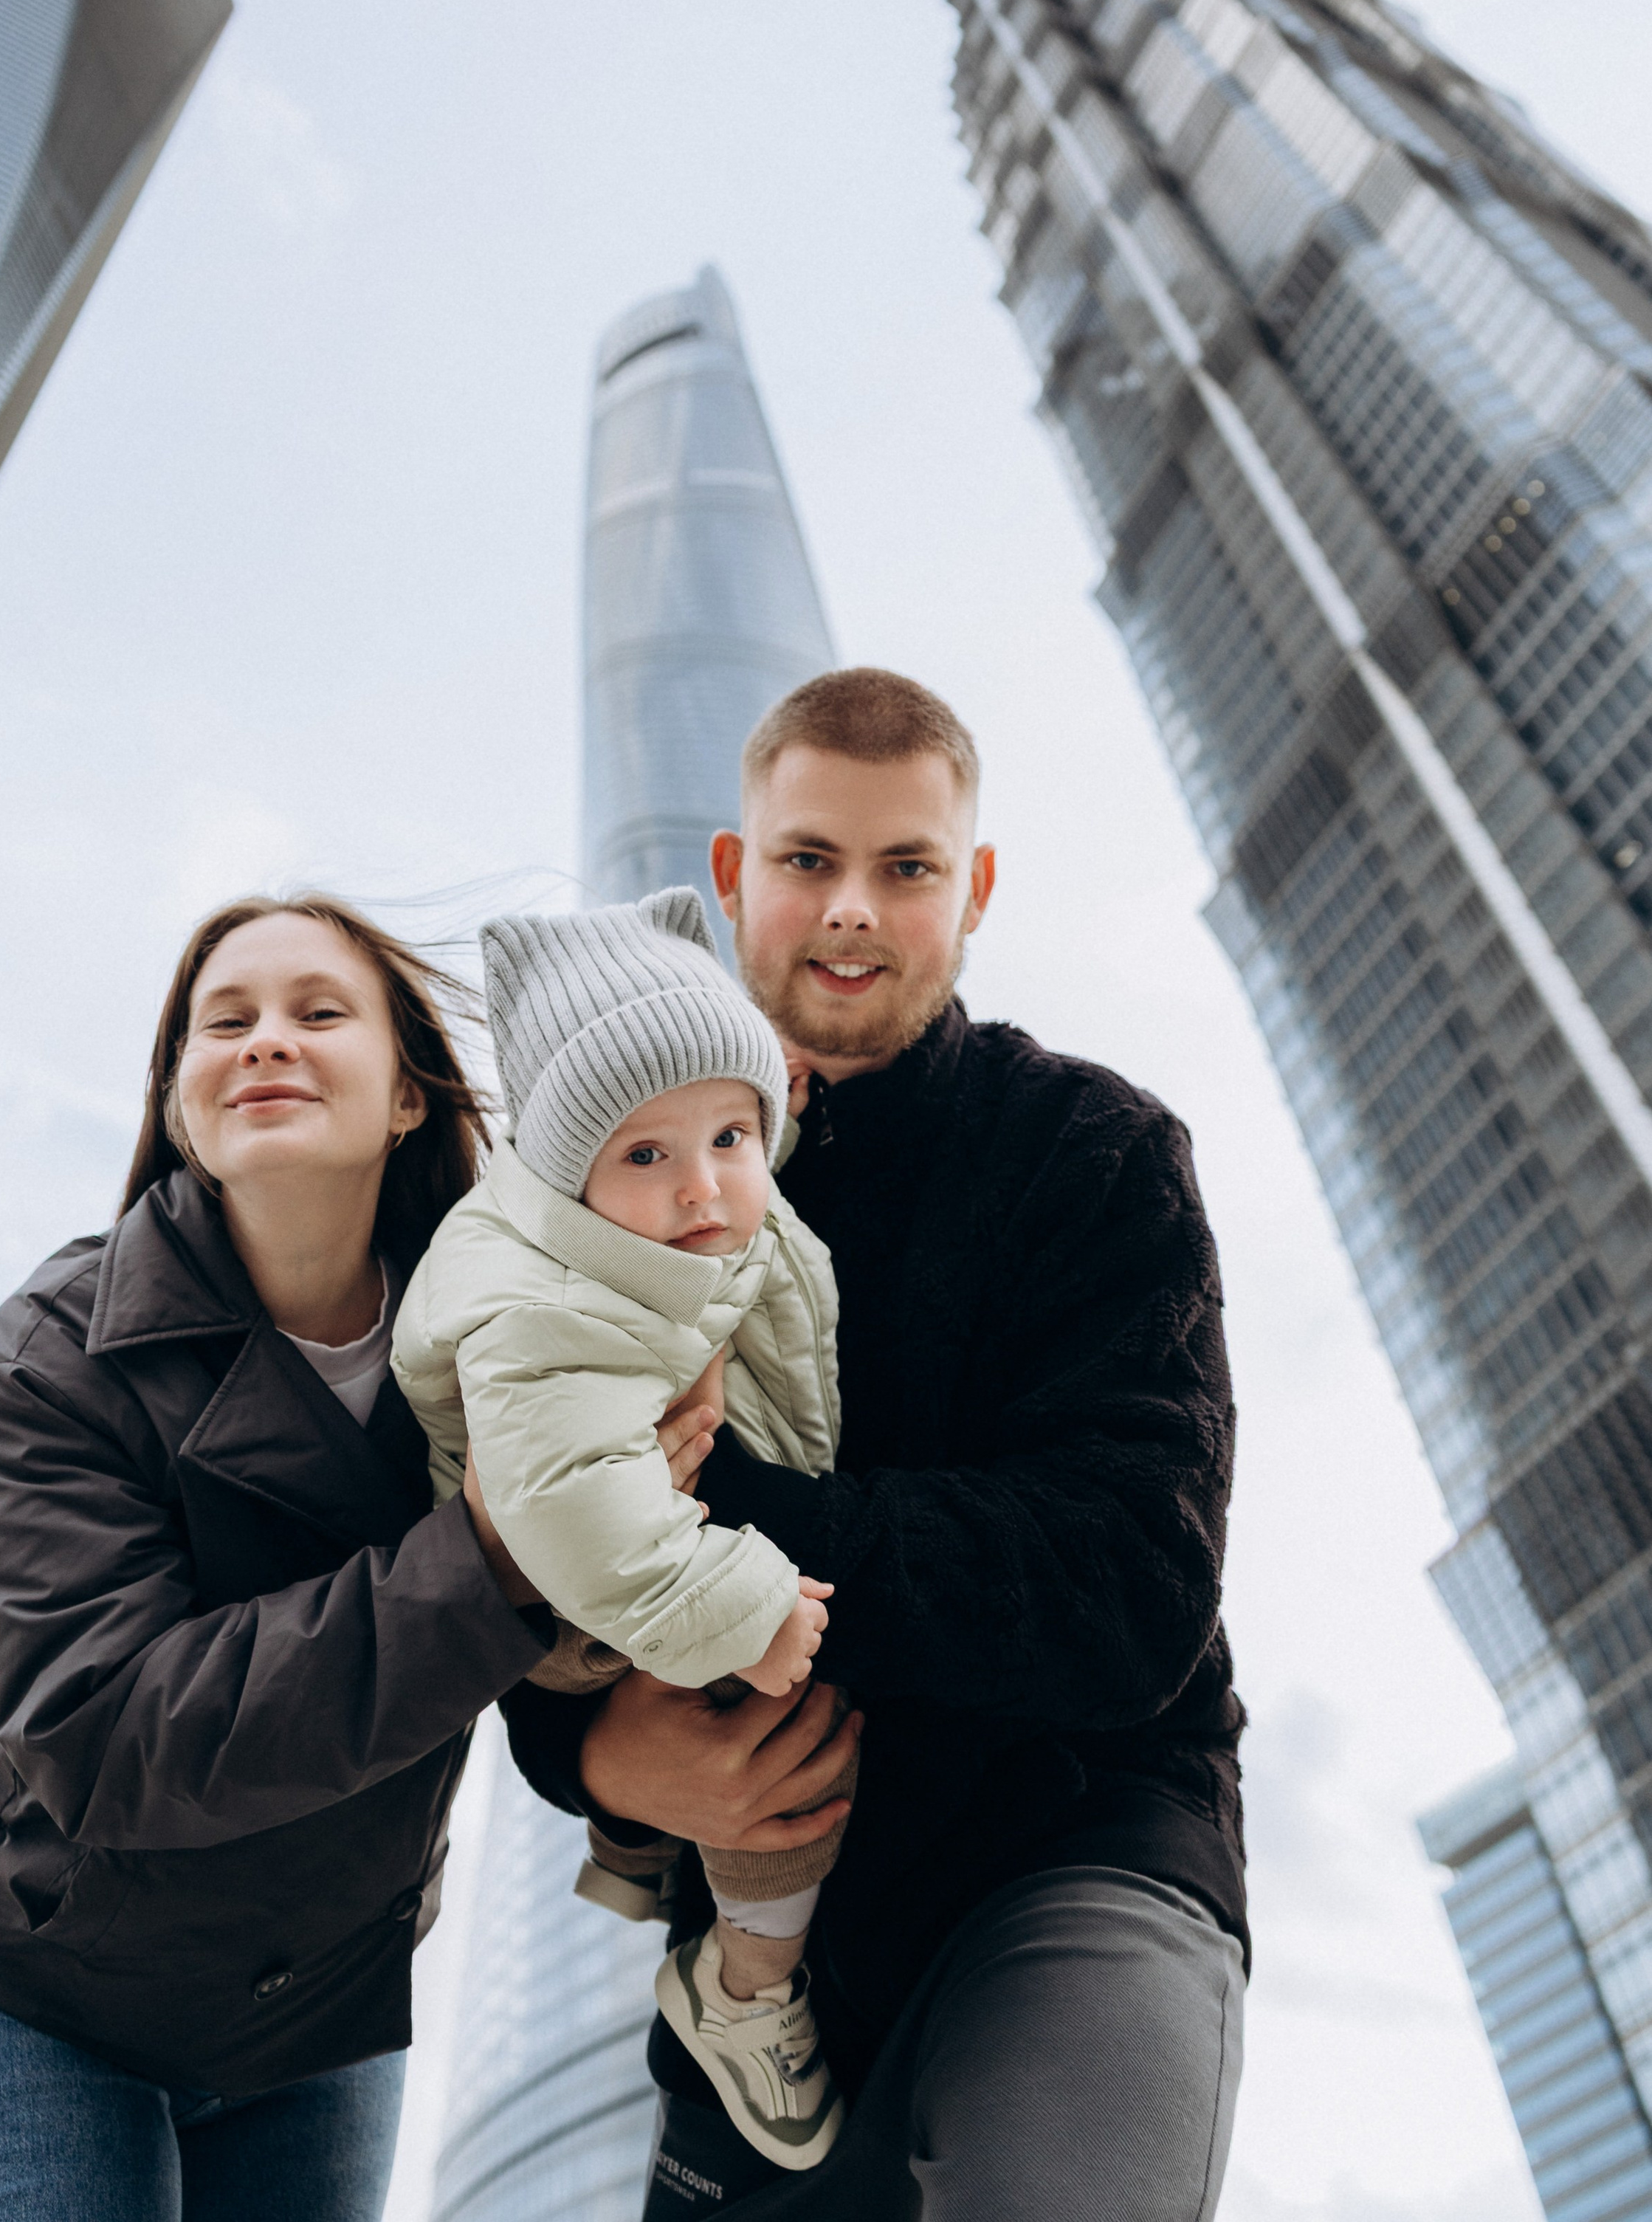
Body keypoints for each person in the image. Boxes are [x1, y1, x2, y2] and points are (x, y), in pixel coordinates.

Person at [501, 669, 1248, 2221]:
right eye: (807, 860)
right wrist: (590, 1754)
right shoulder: (608, 1194)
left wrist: (730, 1507)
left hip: (1072, 1849)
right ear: (730, 877)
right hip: (759, 1941)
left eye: (906, 867)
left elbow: (1128, 1593)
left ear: (972, 892)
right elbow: (517, 1546)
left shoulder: (1092, 1153)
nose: (852, 909)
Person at [0, 894, 559, 2222]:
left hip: (316, 2015)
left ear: (409, 1095)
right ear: (183, 1107)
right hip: (32, 1993)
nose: (265, 1041)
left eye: (318, 1012)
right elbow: (107, 1729)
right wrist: (483, 1566)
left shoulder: (510, 1340)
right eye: (223, 1023)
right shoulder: (48, 1359)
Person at [393, 886, 856, 2170]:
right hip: (562, 1598)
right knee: (784, 1745)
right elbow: (577, 1517)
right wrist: (741, 1604)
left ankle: (633, 1849)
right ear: (567, 1177)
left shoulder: (706, 1219)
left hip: (632, 1547)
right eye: (644, 1156)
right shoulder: (537, 1303)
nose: (702, 1184)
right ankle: (748, 1985)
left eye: (730, 1135)